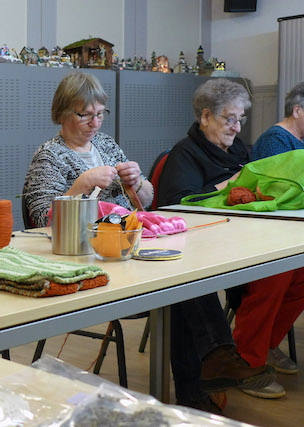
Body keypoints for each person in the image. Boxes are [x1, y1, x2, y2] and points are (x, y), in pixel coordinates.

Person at [157, 79, 275, 412]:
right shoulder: (185, 154)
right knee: (189, 281)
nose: (237, 127)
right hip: (195, 247)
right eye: (230, 119)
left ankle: (217, 368)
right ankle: (210, 369)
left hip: (233, 243)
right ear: (206, 116)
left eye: (240, 119)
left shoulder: (237, 151)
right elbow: (176, 206)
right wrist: (231, 184)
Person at [227, 81, 304, 397]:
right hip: (260, 238)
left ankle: (267, 344)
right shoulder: (276, 140)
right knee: (277, 276)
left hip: (282, 234)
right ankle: (247, 359)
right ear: (297, 110)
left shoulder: (296, 142)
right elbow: (277, 193)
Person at [23, 72, 153, 227]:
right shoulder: (49, 156)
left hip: (124, 233)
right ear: (61, 115)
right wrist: (83, 184)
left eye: (100, 114)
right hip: (82, 239)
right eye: (85, 115)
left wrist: (136, 182)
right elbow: (44, 221)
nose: (95, 123)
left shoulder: (106, 144)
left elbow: (147, 201)